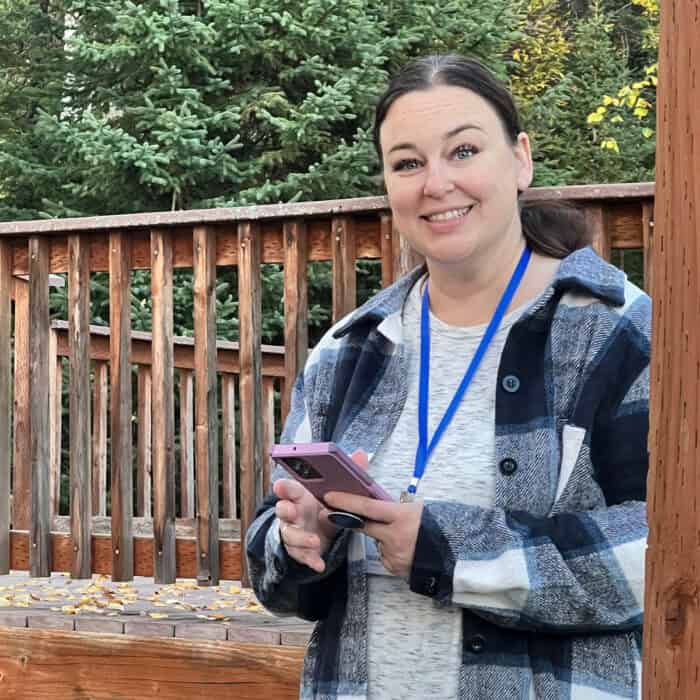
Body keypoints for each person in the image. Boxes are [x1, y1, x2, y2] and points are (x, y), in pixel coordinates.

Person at [246, 54, 650, 699]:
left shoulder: (618, 332)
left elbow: (665, 557)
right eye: (407, 163)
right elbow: (274, 566)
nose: (436, 183)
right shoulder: (351, 347)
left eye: (462, 151)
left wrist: (449, 551)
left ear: (520, 159)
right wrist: (300, 538)